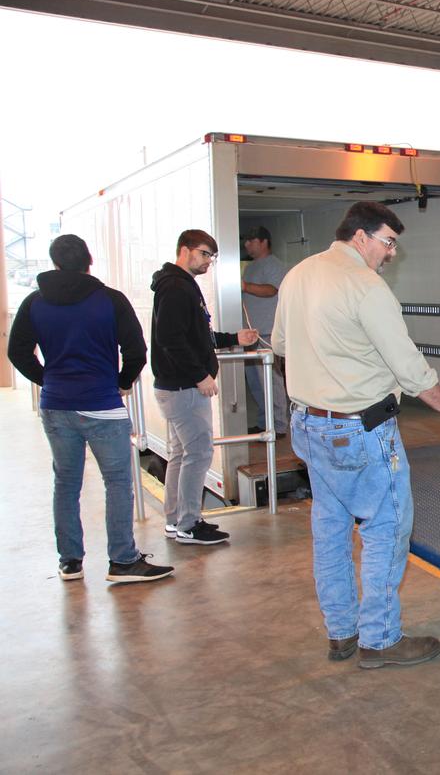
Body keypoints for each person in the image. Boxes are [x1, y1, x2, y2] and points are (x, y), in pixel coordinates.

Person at [273, 201, 440, 669]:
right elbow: (409, 367)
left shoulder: (299, 274)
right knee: (386, 529)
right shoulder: (366, 287)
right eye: (387, 242)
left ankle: (341, 633)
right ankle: (380, 639)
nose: (390, 253)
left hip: (308, 426)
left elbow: (281, 345)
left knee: (331, 530)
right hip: (357, 429)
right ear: (360, 237)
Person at [7, 235, 174, 583]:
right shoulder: (110, 300)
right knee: (116, 482)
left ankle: (70, 561)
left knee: (65, 483)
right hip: (102, 405)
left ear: (55, 263)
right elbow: (136, 351)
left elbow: (16, 352)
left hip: (56, 406)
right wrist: (122, 382)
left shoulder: (34, 302)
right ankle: (123, 561)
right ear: (89, 261)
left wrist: (47, 378)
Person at [151, 229, 258, 546]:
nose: (209, 261)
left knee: (182, 455)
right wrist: (200, 375)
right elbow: (170, 339)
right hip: (184, 388)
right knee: (197, 454)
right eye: (204, 254)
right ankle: (188, 523)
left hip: (179, 386)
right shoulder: (175, 287)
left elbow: (196, 335)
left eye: (212, 256)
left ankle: (176, 520)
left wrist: (233, 339)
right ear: (184, 250)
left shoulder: (182, 286)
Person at [240, 226, 289, 436]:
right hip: (250, 334)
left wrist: (244, 286)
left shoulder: (274, 265)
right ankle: (264, 422)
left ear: (264, 242)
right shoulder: (251, 267)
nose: (246, 245)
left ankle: (278, 425)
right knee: (255, 382)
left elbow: (273, 289)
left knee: (272, 381)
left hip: (267, 334)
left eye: (251, 240)